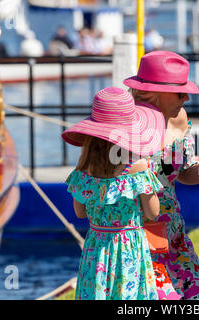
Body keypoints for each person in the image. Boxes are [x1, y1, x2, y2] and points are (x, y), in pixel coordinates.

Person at [123, 51, 199, 300]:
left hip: (172, 233)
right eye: (179, 92)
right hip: (135, 233)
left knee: (195, 298)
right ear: (152, 92)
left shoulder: (180, 118)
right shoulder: (126, 123)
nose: (185, 98)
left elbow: (183, 172)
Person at [61, 87, 166, 300]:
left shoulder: (83, 170)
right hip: (128, 248)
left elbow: (80, 213)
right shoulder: (137, 168)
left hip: (96, 248)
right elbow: (153, 212)